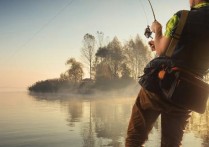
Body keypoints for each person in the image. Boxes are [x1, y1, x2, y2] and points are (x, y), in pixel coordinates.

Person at [125, 0, 209, 146]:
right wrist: (159, 44)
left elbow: (161, 51)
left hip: (159, 84)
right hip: (186, 93)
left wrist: (157, 31)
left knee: (135, 137)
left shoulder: (181, 17)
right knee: (171, 144)